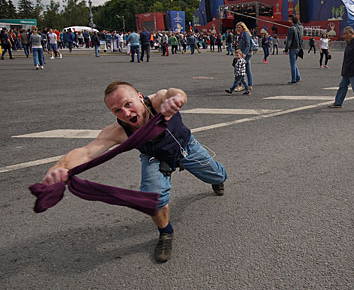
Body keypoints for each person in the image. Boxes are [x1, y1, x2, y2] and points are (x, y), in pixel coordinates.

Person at [40, 81, 227, 262]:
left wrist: (177, 99)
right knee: (153, 197)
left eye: (128, 104)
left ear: (139, 97)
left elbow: (172, 92)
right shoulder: (118, 131)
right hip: (155, 158)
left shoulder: (158, 101)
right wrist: (58, 169)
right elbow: (87, 152)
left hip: (186, 147)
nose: (126, 113)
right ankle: (165, 233)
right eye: (117, 111)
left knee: (217, 175)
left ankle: (217, 179)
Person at [327, 27, 354, 112]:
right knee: (342, 86)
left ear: (352, 33)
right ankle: (338, 103)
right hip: (347, 70)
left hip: (353, 70)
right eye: (344, 34)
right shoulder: (349, 43)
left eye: (346, 34)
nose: (344, 36)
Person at [284, 15, 303, 84]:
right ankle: (298, 77)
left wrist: (286, 49)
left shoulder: (291, 28)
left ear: (292, 21)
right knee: (294, 63)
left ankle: (293, 79)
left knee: (292, 64)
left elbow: (289, 40)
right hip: (299, 48)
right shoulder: (301, 27)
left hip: (293, 48)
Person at [236, 22, 253, 90]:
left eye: (239, 27)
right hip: (244, 53)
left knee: (240, 69)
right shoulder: (242, 34)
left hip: (246, 54)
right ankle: (250, 85)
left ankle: (240, 85)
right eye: (237, 27)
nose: (238, 29)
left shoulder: (245, 33)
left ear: (243, 27)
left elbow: (248, 44)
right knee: (248, 69)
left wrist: (244, 54)